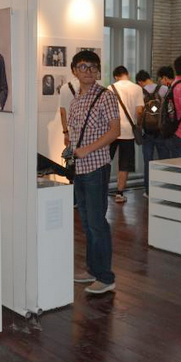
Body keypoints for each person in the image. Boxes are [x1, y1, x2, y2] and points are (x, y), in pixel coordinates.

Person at [68, 50, 120, 295]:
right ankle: (93, 269)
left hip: (96, 167)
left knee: (97, 223)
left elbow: (114, 131)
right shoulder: (76, 99)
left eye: (93, 67)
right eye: (83, 66)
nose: (88, 71)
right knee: (87, 222)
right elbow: (75, 133)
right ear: (74, 71)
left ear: (98, 71)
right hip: (79, 168)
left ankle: (105, 277)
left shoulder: (105, 96)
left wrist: (86, 150)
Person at [108, 66, 144, 204]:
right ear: (127, 74)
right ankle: (119, 193)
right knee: (124, 164)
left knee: (106, 161)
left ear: (115, 76)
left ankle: (101, 190)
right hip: (128, 132)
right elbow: (139, 111)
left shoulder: (110, 88)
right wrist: (138, 125)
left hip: (112, 131)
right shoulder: (137, 88)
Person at [135, 70, 169, 195]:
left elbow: (139, 111)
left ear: (140, 82)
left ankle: (149, 191)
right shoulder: (164, 89)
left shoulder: (140, 92)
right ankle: (164, 188)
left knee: (148, 161)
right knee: (164, 160)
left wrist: (139, 126)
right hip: (161, 130)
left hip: (147, 132)